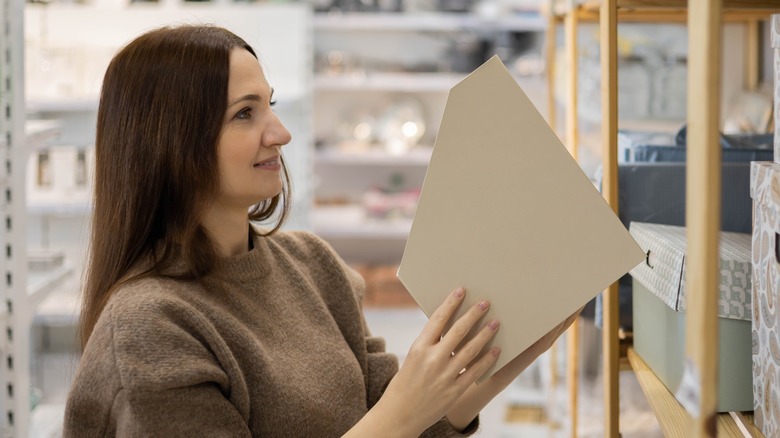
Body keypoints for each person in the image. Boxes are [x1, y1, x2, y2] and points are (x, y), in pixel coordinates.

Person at [63, 25, 578, 437]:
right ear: (170, 143)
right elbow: (396, 421)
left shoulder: (311, 264)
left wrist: (510, 347)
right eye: (245, 113)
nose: (280, 133)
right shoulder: (149, 328)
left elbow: (413, 425)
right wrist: (401, 412)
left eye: (271, 104)